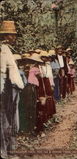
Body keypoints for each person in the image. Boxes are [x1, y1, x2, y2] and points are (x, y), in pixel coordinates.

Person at [0, 21, 24, 158]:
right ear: (5, 36)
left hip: (11, 87)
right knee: (5, 120)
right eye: (12, 35)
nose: (14, 38)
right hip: (5, 88)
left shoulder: (7, 49)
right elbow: (3, 72)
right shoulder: (3, 50)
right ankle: (4, 152)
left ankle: (9, 149)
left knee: (10, 120)